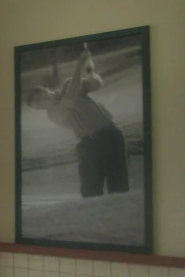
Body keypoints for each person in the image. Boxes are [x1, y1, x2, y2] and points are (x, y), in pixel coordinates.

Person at [27, 43, 129, 198]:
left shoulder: (69, 83)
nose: (42, 105)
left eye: (40, 100)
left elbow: (97, 84)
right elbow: (71, 98)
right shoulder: (52, 114)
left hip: (111, 135)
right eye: (38, 106)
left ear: (46, 91)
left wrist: (89, 70)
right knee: (90, 191)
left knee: (119, 187)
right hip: (88, 146)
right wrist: (78, 66)